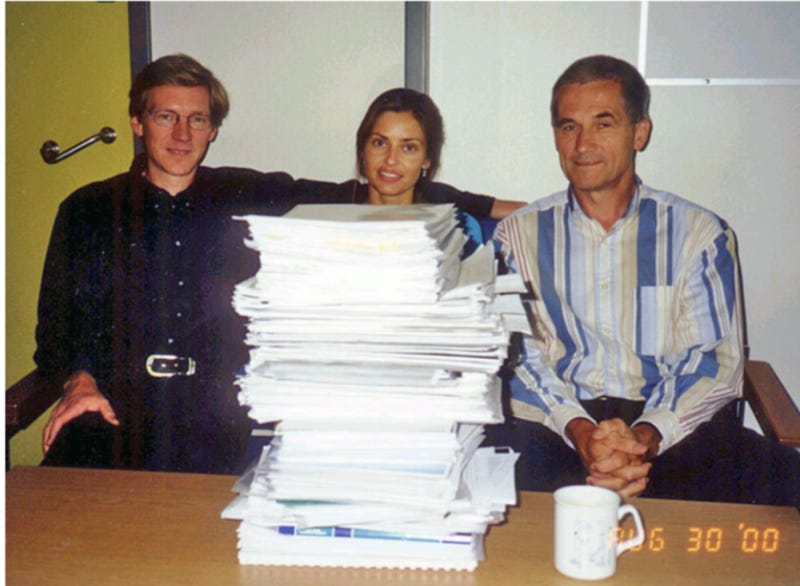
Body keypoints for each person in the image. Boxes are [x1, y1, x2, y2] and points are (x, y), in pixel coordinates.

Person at [37, 54, 519, 474]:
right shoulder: (87, 209)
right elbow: (55, 330)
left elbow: (382, 185)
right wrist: (79, 380)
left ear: (214, 129)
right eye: (166, 116)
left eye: (197, 119)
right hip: (111, 407)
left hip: (213, 416)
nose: (183, 135)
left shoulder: (244, 193)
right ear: (138, 122)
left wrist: (519, 207)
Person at [495, 55, 800, 505]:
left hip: (670, 429)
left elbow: (713, 361)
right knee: (480, 478)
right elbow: (519, 360)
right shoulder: (517, 236)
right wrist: (581, 432)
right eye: (568, 126)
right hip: (556, 427)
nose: (583, 144)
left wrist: (643, 438)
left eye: (603, 124)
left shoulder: (698, 233)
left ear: (639, 133)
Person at [290, 87, 525, 249]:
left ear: (427, 159)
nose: (391, 160)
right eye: (380, 143)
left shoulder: (448, 221)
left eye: (408, 148)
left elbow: (524, 211)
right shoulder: (335, 204)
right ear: (362, 149)